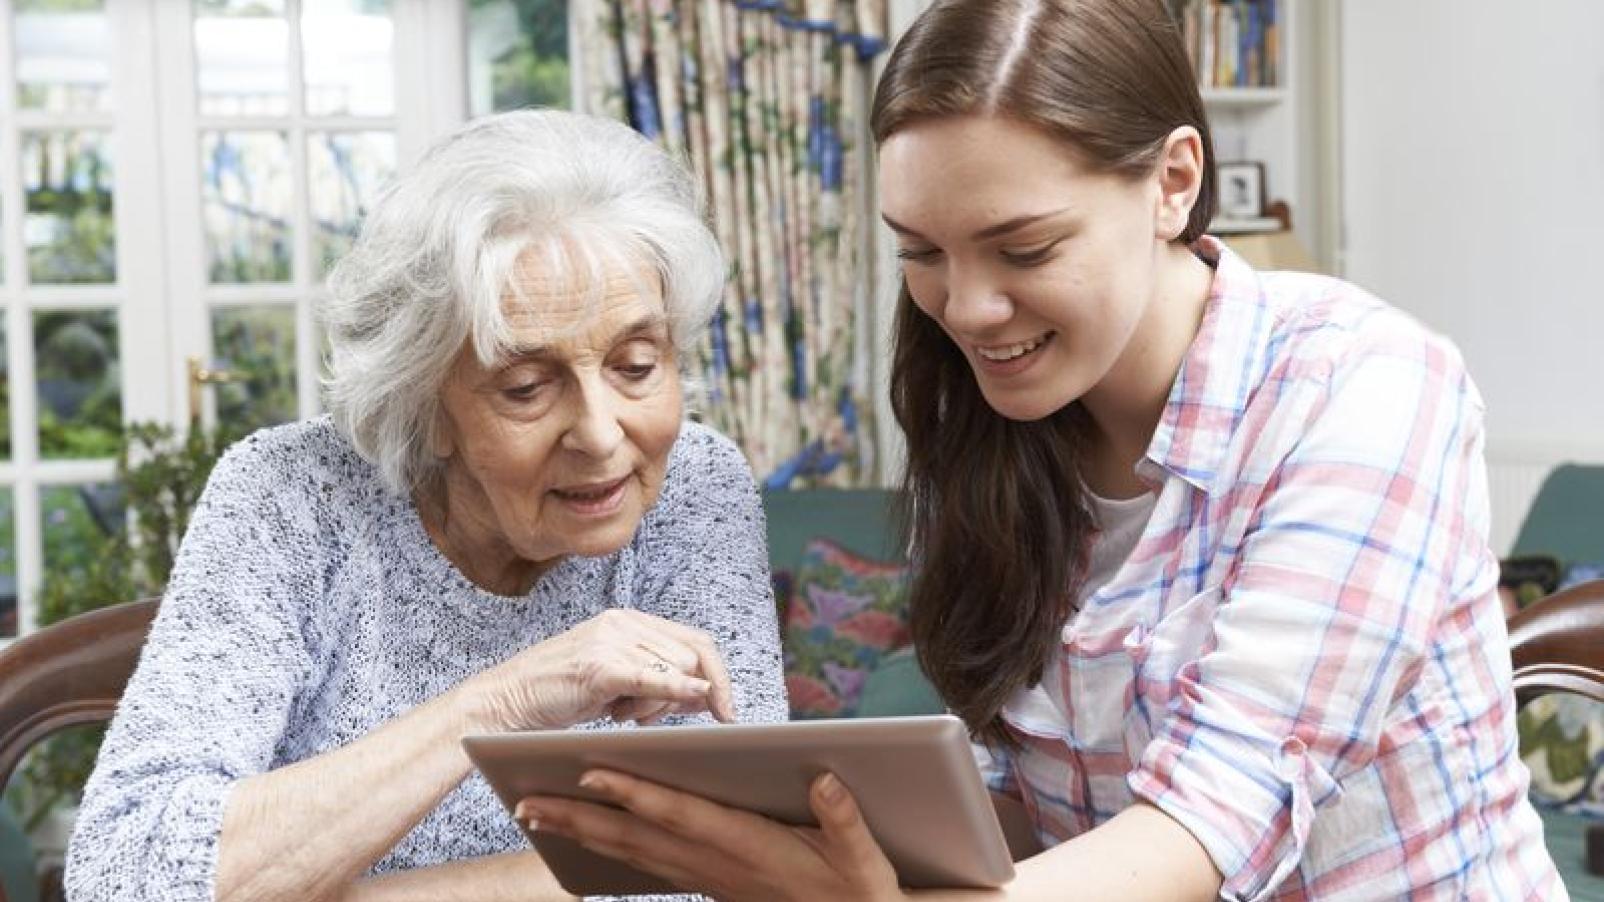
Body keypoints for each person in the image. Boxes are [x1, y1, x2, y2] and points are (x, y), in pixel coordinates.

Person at [511, 1, 1567, 899]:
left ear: (1171, 181)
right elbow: (1024, 820)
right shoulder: (992, 427)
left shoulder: (1361, 385)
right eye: (920, 251)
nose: (965, 308)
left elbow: (1208, 821)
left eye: (1024, 247)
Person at [64, 110, 786, 901]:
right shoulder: (290, 496)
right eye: (526, 388)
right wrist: (502, 699)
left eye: (637, 365)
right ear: (424, 406)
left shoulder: (692, 486)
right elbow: (127, 873)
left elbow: (732, 863)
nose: (602, 434)